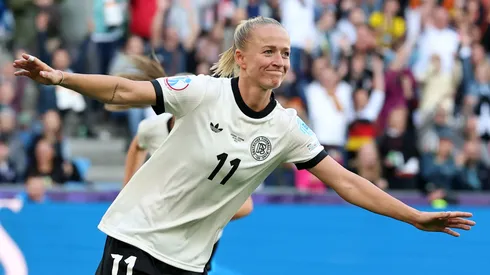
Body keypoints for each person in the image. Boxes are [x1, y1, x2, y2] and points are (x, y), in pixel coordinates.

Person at [14, 16, 475, 275]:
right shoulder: (201, 92)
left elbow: (347, 182)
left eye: (287, 53)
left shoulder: (286, 128)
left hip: (190, 263)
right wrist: (60, 77)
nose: (280, 60)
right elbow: (122, 91)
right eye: (270, 51)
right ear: (242, 58)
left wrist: (414, 216)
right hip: (138, 242)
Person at [105, 57, 253, 273]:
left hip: (198, 239)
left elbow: (245, 206)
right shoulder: (154, 128)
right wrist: (128, 191)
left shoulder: (215, 141)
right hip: (158, 231)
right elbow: (138, 144)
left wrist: (201, 211)